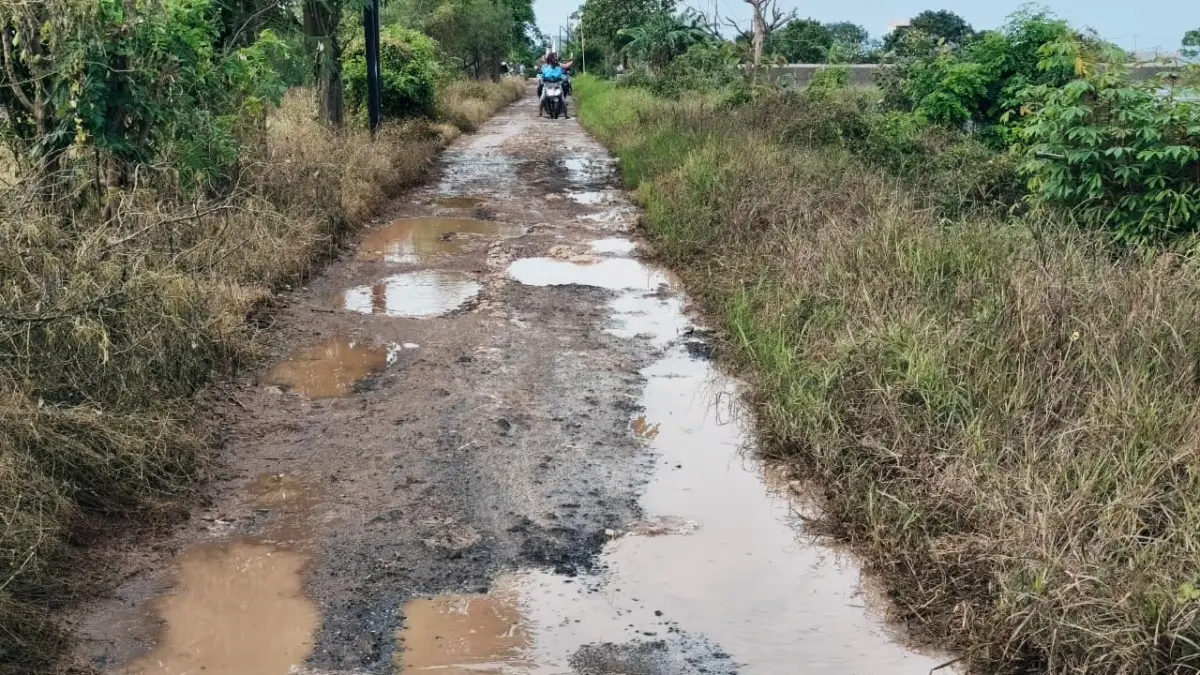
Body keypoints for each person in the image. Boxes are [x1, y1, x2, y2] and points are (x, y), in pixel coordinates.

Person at [537, 52, 570, 118]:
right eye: (554, 57)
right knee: (542, 99)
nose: (555, 59)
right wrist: (540, 78)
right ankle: (540, 113)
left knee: (563, 100)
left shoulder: (559, 67)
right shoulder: (544, 67)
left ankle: (566, 114)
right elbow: (540, 75)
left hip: (557, 85)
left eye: (555, 57)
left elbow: (563, 74)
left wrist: (564, 78)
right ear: (550, 59)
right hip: (547, 86)